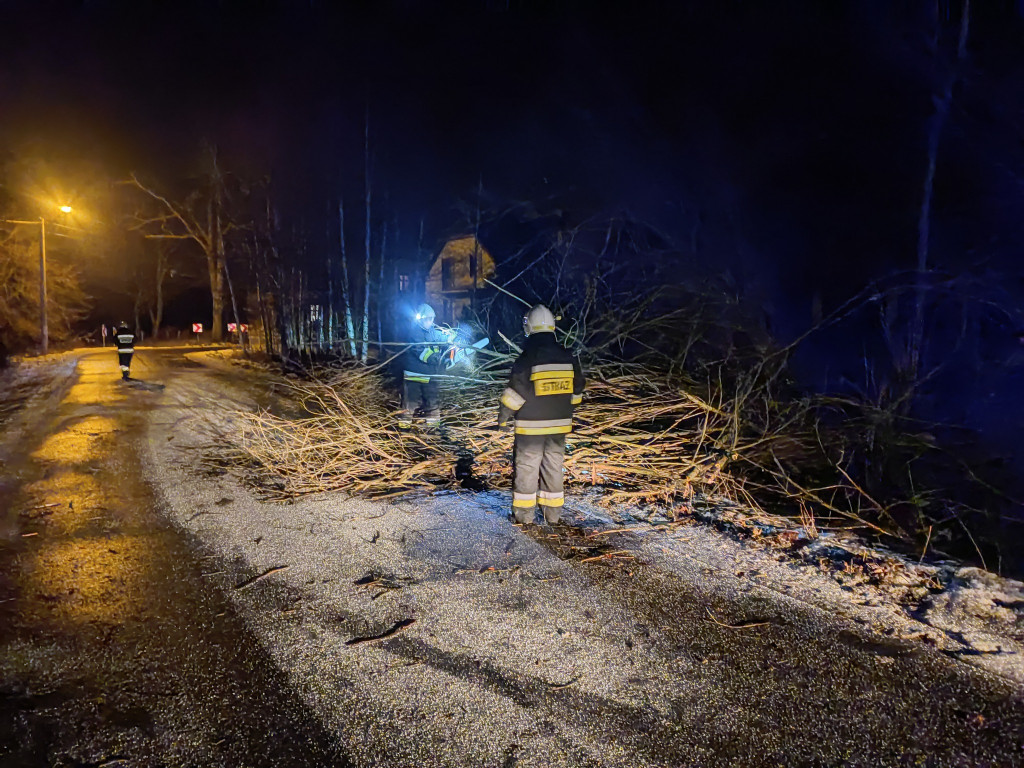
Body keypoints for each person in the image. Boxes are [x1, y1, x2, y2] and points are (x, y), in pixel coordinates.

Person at [497, 304, 585, 525]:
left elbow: (514, 394)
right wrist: (564, 409)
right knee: (553, 467)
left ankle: (524, 517)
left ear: (530, 327)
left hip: (531, 427)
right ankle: (553, 515)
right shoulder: (568, 356)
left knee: (527, 468)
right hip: (559, 427)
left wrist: (503, 418)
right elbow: (577, 391)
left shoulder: (528, 358)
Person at [399, 303, 451, 425]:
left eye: (431, 318)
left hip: (430, 374)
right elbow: (422, 352)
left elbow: (440, 339)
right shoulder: (414, 332)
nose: (429, 321)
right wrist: (438, 359)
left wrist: (449, 339)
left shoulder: (432, 331)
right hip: (414, 374)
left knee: (433, 403)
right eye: (427, 319)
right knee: (410, 403)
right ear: (421, 319)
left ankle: (432, 429)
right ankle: (403, 429)